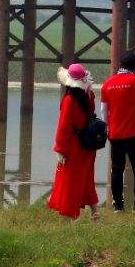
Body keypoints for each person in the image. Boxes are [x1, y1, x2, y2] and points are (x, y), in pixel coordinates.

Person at [100, 51, 135, 210]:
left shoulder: (107, 84)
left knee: (116, 170)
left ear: (120, 65)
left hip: (115, 134)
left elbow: (104, 111)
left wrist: (108, 130)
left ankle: (118, 206)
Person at [47, 64, 100, 220]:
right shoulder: (88, 97)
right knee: (87, 178)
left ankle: (70, 215)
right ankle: (95, 211)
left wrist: (60, 149)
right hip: (88, 144)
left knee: (70, 179)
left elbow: (63, 127)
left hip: (74, 145)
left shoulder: (69, 100)